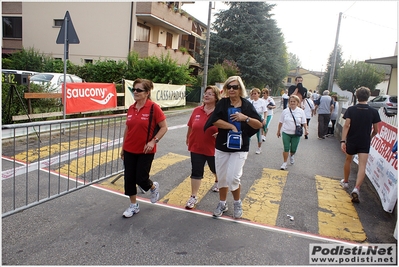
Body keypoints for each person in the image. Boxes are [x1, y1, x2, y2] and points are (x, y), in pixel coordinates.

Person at [204, 76, 262, 219]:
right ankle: (222, 203)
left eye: (235, 87)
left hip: (240, 147)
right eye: (229, 87)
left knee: (233, 178)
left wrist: (245, 118)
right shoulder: (223, 103)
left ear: (240, 89)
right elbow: (214, 120)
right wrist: (230, 126)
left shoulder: (246, 105)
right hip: (222, 145)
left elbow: (259, 124)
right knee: (222, 178)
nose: (231, 89)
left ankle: (237, 202)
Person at [120, 78, 168, 218]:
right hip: (129, 149)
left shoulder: (154, 108)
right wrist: (123, 147)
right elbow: (128, 129)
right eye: (133, 89)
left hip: (146, 150)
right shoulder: (131, 108)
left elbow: (164, 127)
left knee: (141, 178)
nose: (135, 92)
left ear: (147, 92)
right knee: (129, 179)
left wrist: (153, 141)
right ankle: (133, 205)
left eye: (139, 90)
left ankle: (153, 187)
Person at [339, 87, 381, 203]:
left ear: (357, 96)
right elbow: (376, 130)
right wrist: (370, 137)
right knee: (362, 165)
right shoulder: (374, 112)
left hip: (352, 139)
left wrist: (343, 141)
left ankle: (346, 182)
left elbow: (346, 125)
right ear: (368, 96)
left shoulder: (351, 110)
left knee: (348, 160)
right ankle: (357, 188)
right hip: (364, 141)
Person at [185, 86, 221, 209]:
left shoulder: (219, 112)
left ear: (216, 97)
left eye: (210, 94)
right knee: (196, 171)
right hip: (196, 146)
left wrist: (221, 134)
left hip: (213, 148)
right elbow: (191, 125)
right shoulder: (197, 110)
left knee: (215, 169)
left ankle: (217, 180)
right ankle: (193, 196)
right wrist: (188, 138)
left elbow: (227, 127)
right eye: (206, 93)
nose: (206, 95)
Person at [277, 95, 308, 170]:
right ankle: (284, 163)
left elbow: (304, 122)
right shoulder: (285, 111)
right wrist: (278, 131)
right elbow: (281, 122)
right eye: (291, 101)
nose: (292, 103)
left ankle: (292, 155)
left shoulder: (301, 111)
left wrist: (306, 130)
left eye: (294, 101)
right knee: (286, 148)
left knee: (293, 149)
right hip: (286, 132)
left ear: (297, 102)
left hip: (296, 134)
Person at [249, 88, 267, 154]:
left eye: (255, 93)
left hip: (259, 119)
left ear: (258, 94)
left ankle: (259, 148)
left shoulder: (262, 101)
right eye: (252, 93)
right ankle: (247, 147)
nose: (253, 95)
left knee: (259, 134)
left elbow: (265, 111)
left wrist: (265, 119)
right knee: (248, 134)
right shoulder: (250, 101)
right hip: (251, 119)